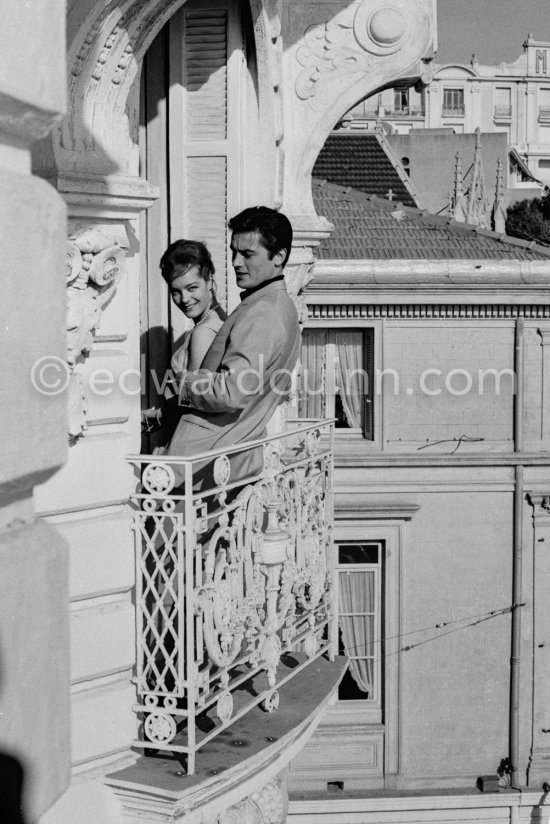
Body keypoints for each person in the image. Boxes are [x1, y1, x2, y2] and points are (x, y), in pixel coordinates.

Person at [165, 206, 301, 487]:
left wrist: (182, 383)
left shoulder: (262, 311)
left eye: (248, 254)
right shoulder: (281, 307)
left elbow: (232, 391)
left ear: (279, 257)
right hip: (230, 462)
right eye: (233, 251)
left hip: (203, 465)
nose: (236, 262)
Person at [141, 239, 227, 440]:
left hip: (189, 439)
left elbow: (194, 403)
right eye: (176, 292)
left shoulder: (203, 332)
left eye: (192, 287)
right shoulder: (220, 318)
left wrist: (153, 418)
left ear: (210, 281)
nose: (185, 299)